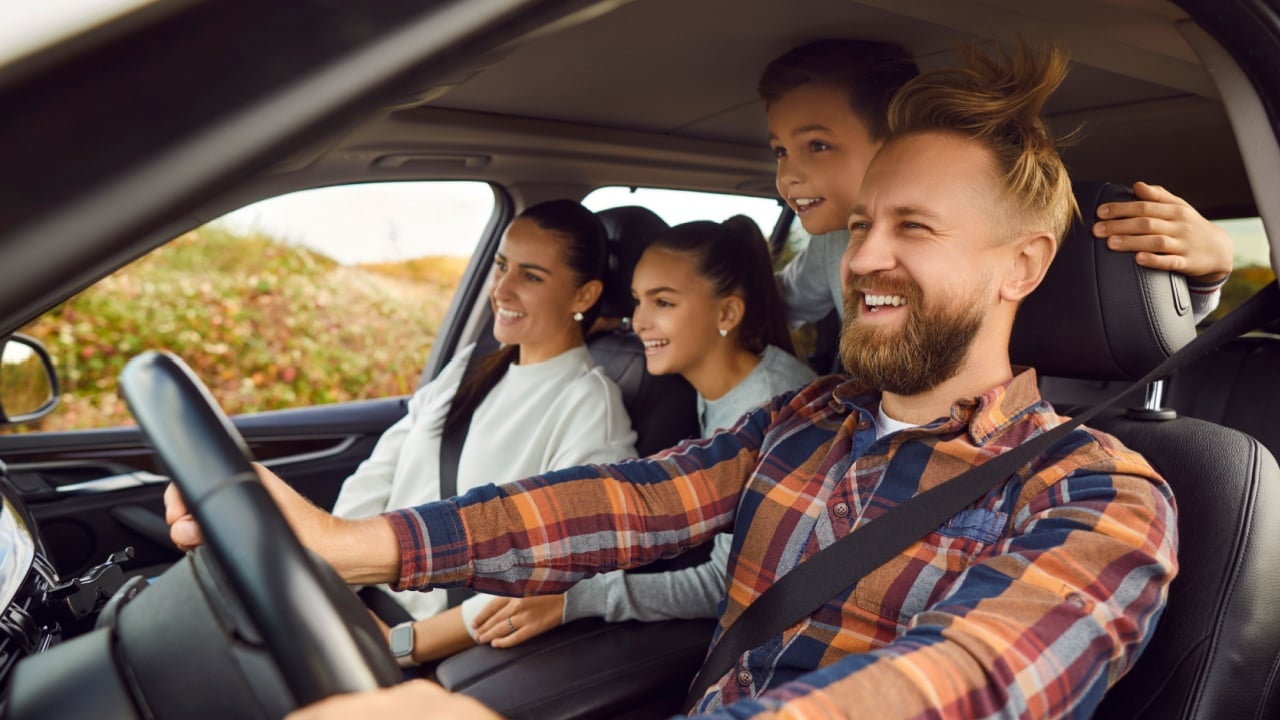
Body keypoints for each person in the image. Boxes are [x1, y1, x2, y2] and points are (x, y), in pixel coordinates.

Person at [172, 42, 1177, 719]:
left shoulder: (1099, 493)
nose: (866, 257)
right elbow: (629, 499)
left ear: (1022, 267)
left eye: (913, 227)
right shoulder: (808, 416)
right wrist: (358, 544)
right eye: (863, 223)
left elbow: (961, 680)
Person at [462, 217, 816, 649]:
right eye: (637, 302)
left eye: (663, 303)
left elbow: (727, 583)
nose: (641, 321)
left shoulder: (772, 406)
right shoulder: (724, 378)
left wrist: (574, 600)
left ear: (726, 313)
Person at [329, 199, 637, 662]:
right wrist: (330, 579)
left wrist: (401, 646)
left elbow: (554, 574)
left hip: (414, 645)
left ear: (584, 296)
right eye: (501, 265)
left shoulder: (589, 407)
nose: (502, 289)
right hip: (349, 604)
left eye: (531, 276)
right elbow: (379, 473)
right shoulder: (471, 365)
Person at [767, 39, 1232, 328]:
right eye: (780, 151)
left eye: (818, 146)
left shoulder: (995, 239)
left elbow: (1134, 313)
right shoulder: (834, 248)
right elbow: (778, 301)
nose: (788, 175)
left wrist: (1212, 269)